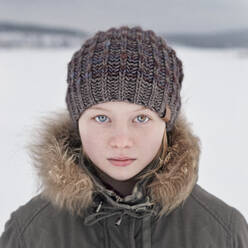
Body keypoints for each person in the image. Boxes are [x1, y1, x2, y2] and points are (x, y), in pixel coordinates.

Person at [0, 25, 247, 248]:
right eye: (101, 118)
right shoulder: (29, 233)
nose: (121, 140)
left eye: (141, 119)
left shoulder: (223, 233)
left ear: (166, 123)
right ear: (78, 122)